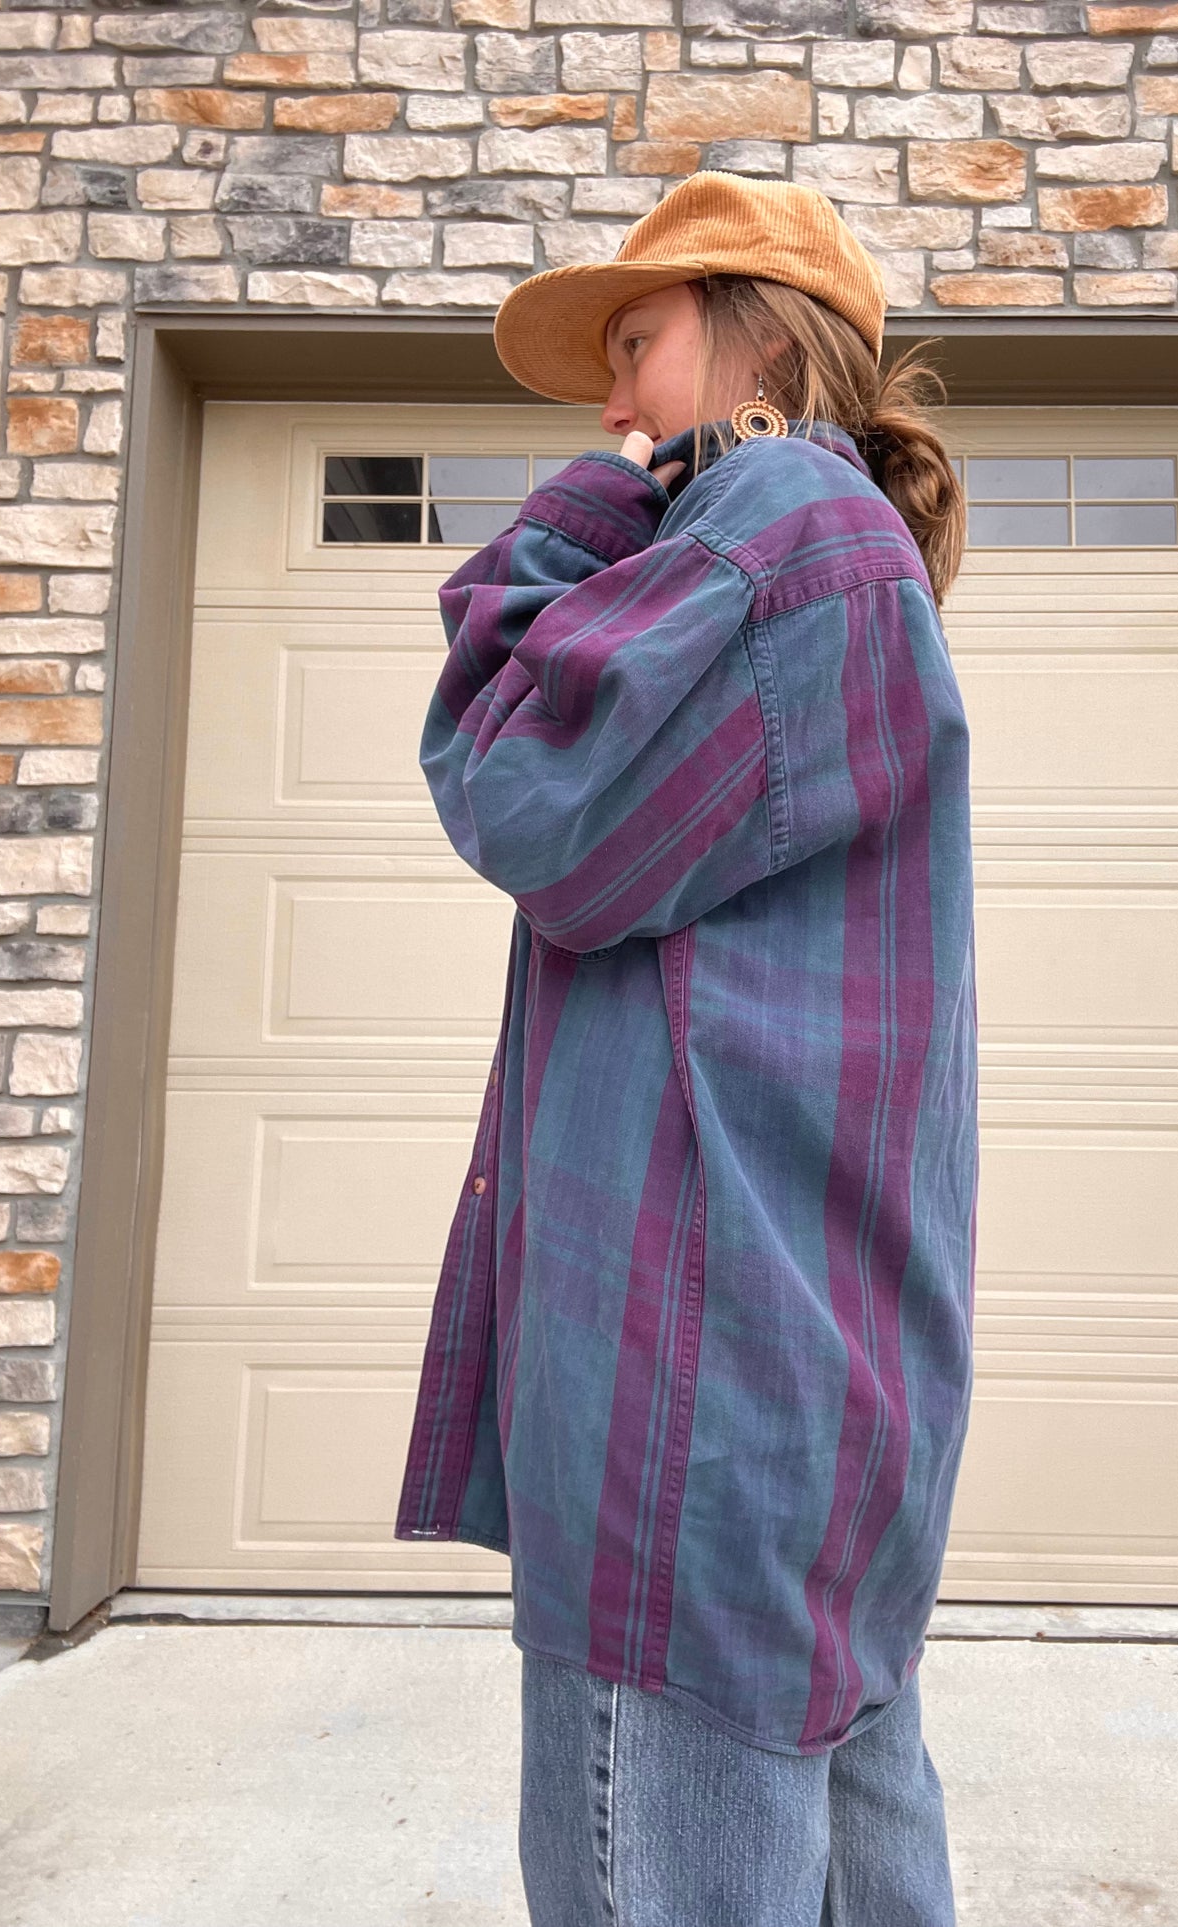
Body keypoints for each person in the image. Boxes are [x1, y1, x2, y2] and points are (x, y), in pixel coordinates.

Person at [394, 170, 979, 1925]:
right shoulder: (836, 554)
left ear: (752, 338)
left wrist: (582, 514)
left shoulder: (779, 521)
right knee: (853, 1855)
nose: (609, 401)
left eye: (634, 345)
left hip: (696, 1391)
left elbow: (527, 803)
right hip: (804, 1385)